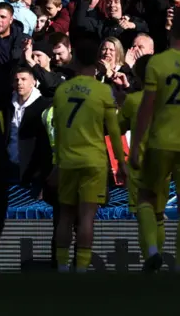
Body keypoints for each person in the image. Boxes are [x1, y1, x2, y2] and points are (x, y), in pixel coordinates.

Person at [131, 9, 180, 272]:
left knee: (146, 197)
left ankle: (152, 250)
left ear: (172, 30)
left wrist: (136, 146)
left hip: (161, 140)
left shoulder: (158, 63)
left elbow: (146, 109)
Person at [52, 38, 127, 273]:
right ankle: (82, 270)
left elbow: (58, 131)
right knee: (86, 217)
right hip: (93, 161)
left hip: (67, 159)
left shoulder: (61, 91)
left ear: (74, 62)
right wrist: (121, 163)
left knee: (65, 214)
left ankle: (62, 267)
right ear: (95, 62)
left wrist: (56, 163)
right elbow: (113, 131)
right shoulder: (102, 90)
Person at [118, 54, 168, 260]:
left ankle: (151, 254)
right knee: (158, 215)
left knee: (143, 207)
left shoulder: (132, 100)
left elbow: (118, 127)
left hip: (141, 160)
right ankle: (156, 260)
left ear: (137, 75)